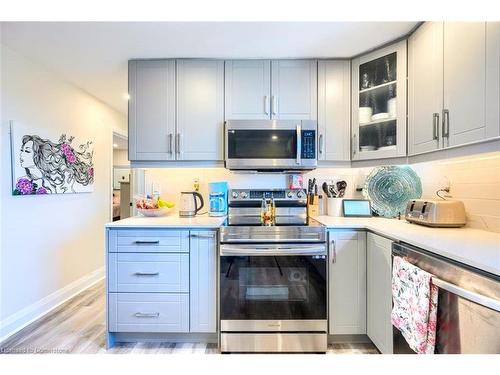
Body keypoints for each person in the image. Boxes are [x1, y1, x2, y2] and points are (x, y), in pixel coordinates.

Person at [14, 134, 93, 195]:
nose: (21, 154)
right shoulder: (23, 181)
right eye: (22, 150)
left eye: (27, 151)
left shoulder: (58, 179)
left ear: (38, 154)